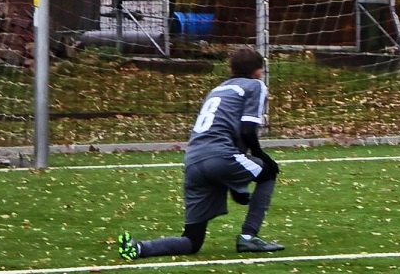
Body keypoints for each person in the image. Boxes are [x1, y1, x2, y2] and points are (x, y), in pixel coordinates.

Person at [117, 46, 284, 259]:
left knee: (192, 240)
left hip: (193, 162)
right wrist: (262, 156)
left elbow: (229, 134)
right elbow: (247, 131)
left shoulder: (218, 89)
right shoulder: (255, 85)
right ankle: (249, 237)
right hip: (220, 157)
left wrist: (236, 185)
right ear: (259, 71)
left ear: (231, 69)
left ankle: (139, 248)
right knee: (268, 172)